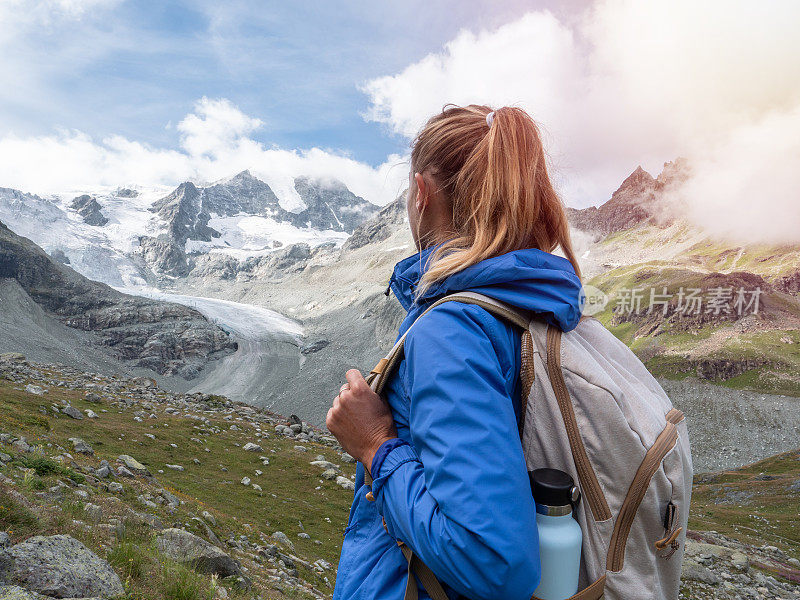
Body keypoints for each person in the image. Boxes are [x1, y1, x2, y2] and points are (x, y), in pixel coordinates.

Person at [326, 104, 584, 600]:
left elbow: (494, 562)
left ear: (421, 192)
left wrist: (376, 445)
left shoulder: (452, 329)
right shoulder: (529, 299)